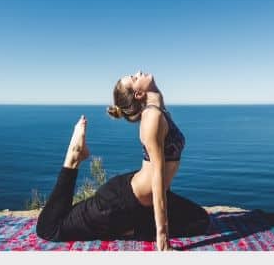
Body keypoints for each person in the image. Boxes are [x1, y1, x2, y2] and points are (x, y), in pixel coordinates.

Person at [35, 71, 210, 250]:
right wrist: (163, 239)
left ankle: (127, 227)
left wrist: (153, 90)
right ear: (139, 94)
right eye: (134, 78)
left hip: (142, 198)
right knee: (50, 228)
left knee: (200, 220)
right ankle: (73, 157)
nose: (138, 73)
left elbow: (157, 98)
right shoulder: (152, 118)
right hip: (120, 202)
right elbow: (157, 179)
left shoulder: (158, 109)